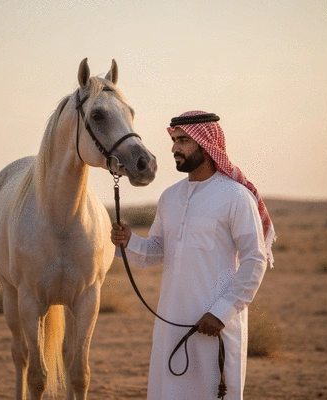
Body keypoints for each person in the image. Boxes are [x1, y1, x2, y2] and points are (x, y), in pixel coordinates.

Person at [111, 110, 275, 400]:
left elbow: (254, 259)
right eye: (174, 140)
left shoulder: (235, 197)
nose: (175, 148)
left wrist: (222, 311)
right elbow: (156, 251)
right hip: (171, 323)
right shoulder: (170, 198)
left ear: (206, 145)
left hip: (215, 324)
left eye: (183, 141)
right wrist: (129, 241)